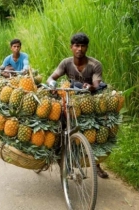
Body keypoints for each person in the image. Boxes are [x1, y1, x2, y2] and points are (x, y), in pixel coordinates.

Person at [47, 32, 108, 179]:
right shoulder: (66, 63)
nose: (79, 49)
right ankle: (57, 153)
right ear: (71, 47)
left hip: (90, 100)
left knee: (95, 130)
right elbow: (52, 77)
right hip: (71, 99)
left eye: (82, 46)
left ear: (86, 48)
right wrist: (52, 84)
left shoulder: (95, 64)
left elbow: (97, 83)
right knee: (57, 123)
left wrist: (91, 87)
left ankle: (96, 164)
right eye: (76, 46)